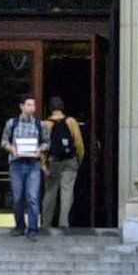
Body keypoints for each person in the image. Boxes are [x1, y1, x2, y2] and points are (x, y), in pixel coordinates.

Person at [2, 95, 46, 238]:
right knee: (17, 196)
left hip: (33, 163)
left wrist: (40, 149)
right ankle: (20, 225)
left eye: (33, 105)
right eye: (28, 104)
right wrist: (12, 149)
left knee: (32, 196)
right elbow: (4, 142)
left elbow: (46, 142)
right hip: (17, 163)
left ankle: (33, 228)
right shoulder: (12, 123)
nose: (31, 108)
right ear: (21, 106)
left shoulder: (40, 124)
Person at [42, 96, 87, 230]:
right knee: (67, 192)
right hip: (69, 161)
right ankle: (63, 223)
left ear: (50, 108)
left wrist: (43, 165)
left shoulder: (46, 124)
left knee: (50, 192)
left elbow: (43, 146)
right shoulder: (71, 121)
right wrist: (79, 159)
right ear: (63, 107)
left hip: (53, 161)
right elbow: (78, 143)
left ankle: (46, 224)